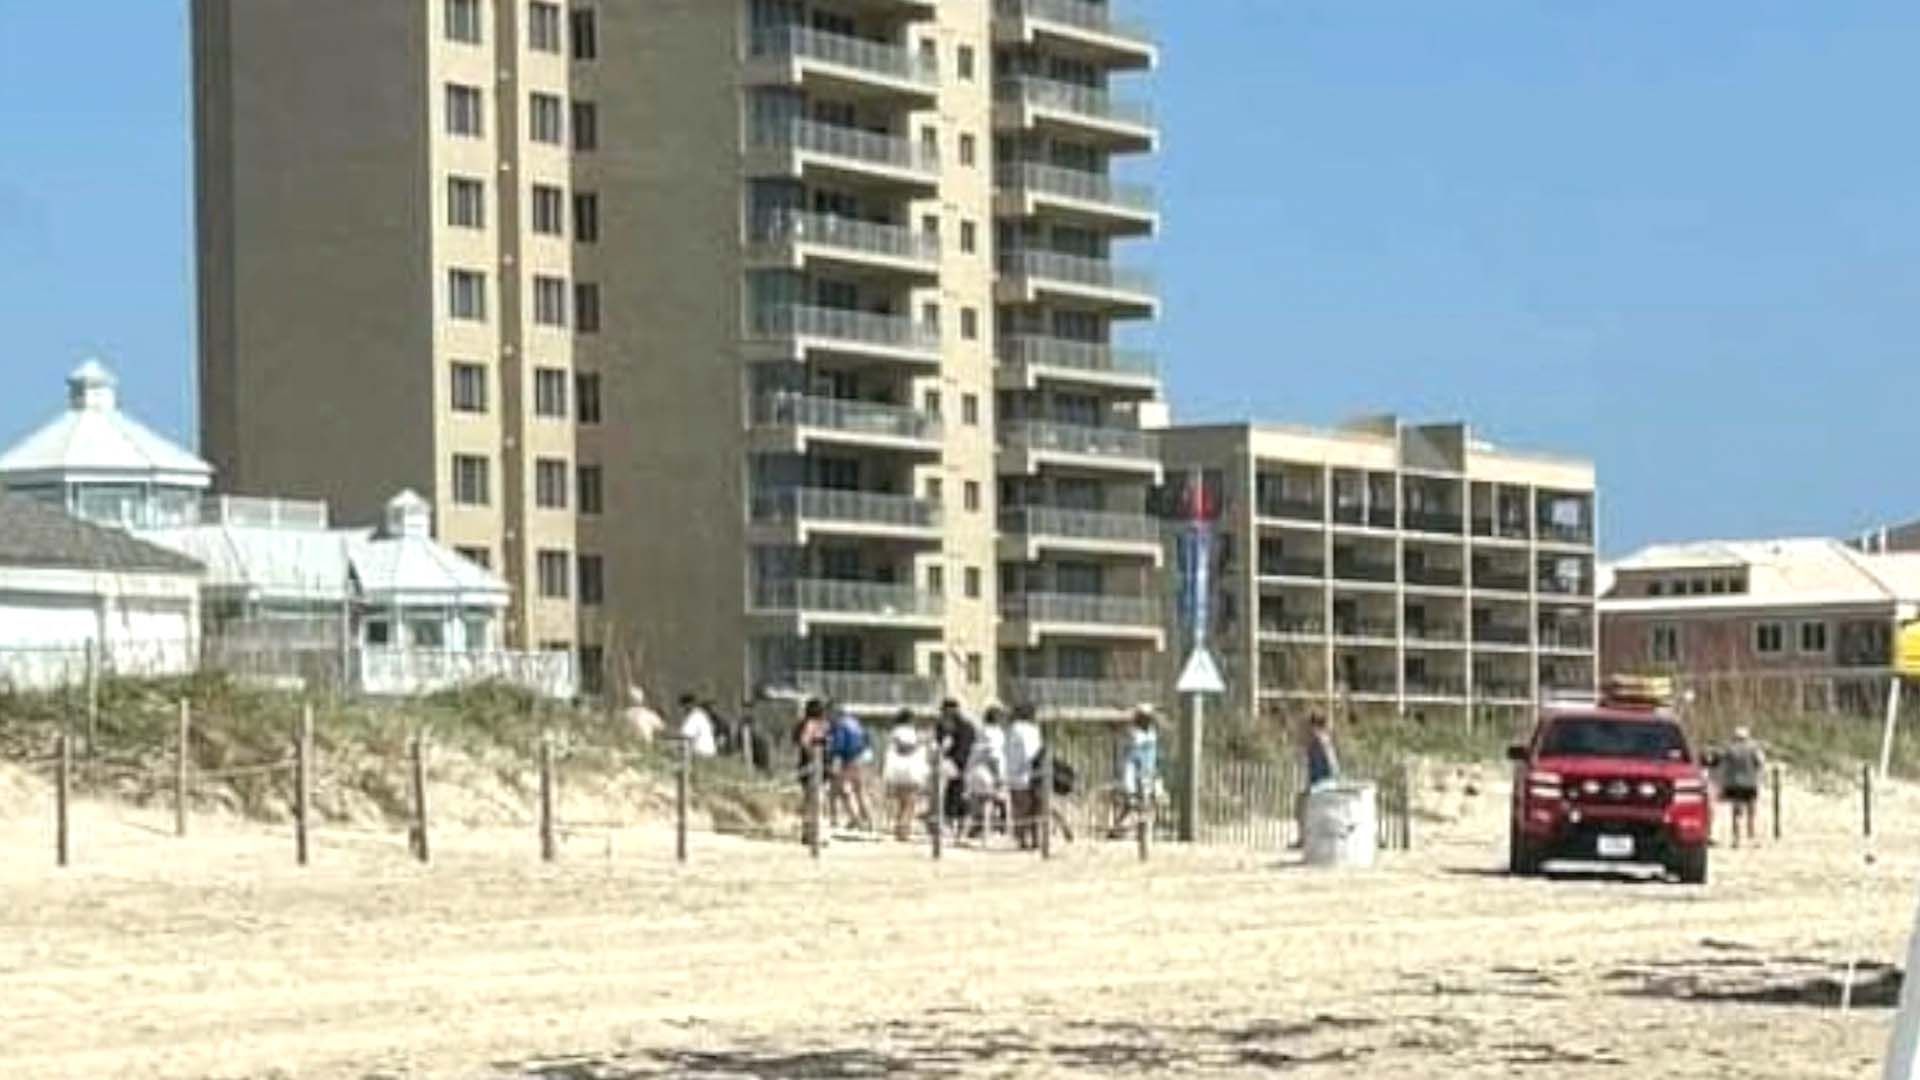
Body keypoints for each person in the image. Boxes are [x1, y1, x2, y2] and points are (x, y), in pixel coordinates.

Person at [880, 710, 930, 842]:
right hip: (908, 770)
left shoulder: (894, 731)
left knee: (903, 802)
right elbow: (904, 748)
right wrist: (921, 742)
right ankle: (903, 830)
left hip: (897, 770)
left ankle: (900, 829)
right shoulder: (905, 732)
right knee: (909, 801)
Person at [1112, 706, 1160, 837]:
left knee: (1147, 797)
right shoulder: (1130, 731)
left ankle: (1139, 828)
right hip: (1133, 768)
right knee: (1131, 797)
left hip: (1146, 769)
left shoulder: (1151, 732)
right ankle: (1122, 826)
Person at [827, 705, 873, 831]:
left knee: (844, 792)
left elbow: (839, 745)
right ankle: (869, 820)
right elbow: (866, 741)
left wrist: (835, 761)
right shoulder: (856, 724)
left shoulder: (840, 726)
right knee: (860, 791)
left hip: (846, 761)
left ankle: (856, 819)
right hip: (861, 759)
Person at [966, 707, 1009, 841]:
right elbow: (995, 756)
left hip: (973, 770)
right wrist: (999, 776)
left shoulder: (980, 732)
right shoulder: (997, 734)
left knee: (978, 801)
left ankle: (976, 829)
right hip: (989, 771)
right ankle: (987, 831)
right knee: (990, 801)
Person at [1719, 726, 1766, 848]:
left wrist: (1723, 783)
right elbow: (1760, 763)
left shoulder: (1729, 749)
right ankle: (1752, 837)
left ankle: (1736, 839)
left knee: (1736, 813)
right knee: (1751, 812)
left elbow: (1723, 767)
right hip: (1750, 783)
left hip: (1734, 784)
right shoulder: (1753, 748)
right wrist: (1759, 777)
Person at [792, 698, 831, 846]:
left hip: (811, 767)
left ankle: (808, 832)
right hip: (814, 767)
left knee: (811, 801)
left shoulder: (807, 724)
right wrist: (814, 757)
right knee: (817, 801)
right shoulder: (813, 725)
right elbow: (805, 742)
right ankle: (815, 834)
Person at [1006, 704, 1044, 849]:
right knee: (1034, 808)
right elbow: (1032, 752)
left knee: (1020, 809)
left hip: (1015, 774)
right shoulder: (1030, 730)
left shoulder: (1011, 730)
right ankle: (1034, 839)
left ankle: (1022, 839)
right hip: (1030, 772)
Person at [935, 699, 975, 830]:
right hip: (960, 763)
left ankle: (955, 823)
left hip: (957, 763)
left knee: (955, 794)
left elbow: (944, 746)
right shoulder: (963, 725)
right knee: (955, 794)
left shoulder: (954, 726)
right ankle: (955, 823)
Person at [678, 693, 718, 758]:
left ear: (687, 705)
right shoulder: (701, 715)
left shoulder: (694, 717)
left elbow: (686, 736)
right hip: (708, 753)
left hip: (701, 754)